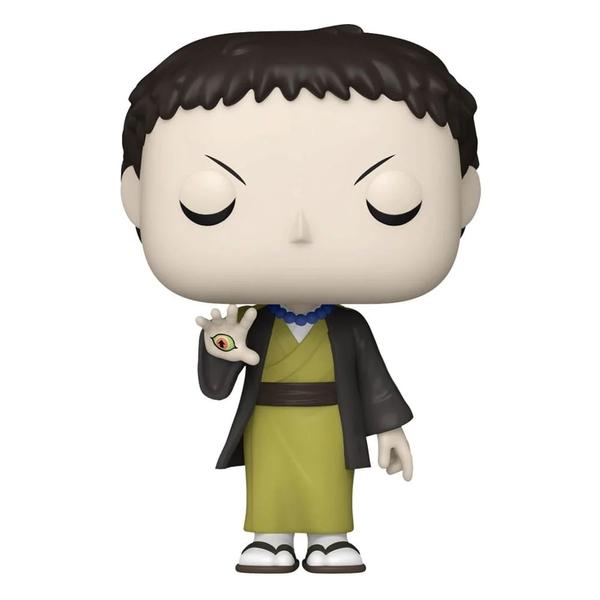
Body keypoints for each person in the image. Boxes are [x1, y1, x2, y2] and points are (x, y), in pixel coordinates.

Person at [120, 24, 480, 573]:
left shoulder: (349, 328)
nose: (300, 231)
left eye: (391, 202)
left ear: (464, 196)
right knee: (270, 483)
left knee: (329, 484)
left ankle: (330, 538)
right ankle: (270, 538)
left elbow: (374, 381)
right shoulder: (248, 320)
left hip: (332, 419)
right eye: (208, 204)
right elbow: (216, 388)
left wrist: (390, 428)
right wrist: (223, 349)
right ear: (136, 196)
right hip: (269, 421)